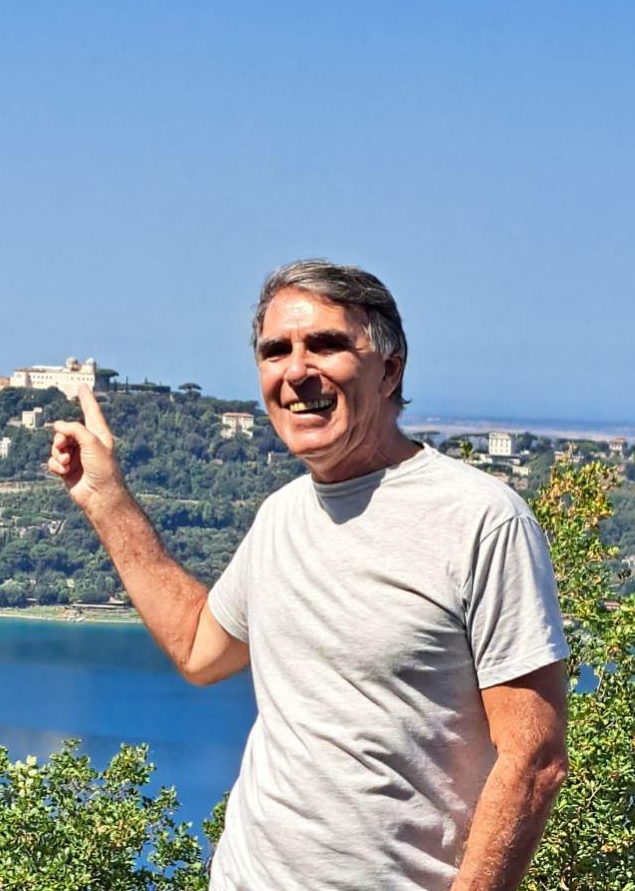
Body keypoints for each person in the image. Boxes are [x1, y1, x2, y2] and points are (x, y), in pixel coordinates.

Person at [49, 259, 569, 891]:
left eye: (325, 344)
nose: (296, 372)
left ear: (390, 370)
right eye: (276, 352)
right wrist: (106, 499)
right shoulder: (281, 516)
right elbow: (197, 648)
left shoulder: (480, 520)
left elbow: (533, 761)